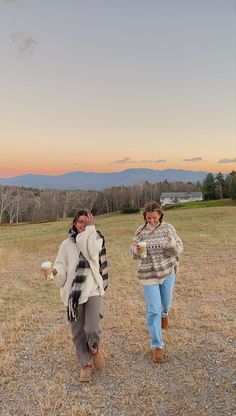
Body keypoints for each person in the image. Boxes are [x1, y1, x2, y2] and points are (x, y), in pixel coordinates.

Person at [51, 210, 108, 382]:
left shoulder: (96, 239)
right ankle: (85, 364)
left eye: (87, 222)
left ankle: (94, 348)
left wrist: (90, 230)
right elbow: (61, 264)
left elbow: (91, 252)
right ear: (74, 223)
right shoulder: (66, 244)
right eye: (80, 222)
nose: (83, 225)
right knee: (77, 332)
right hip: (74, 292)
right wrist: (55, 271)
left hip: (92, 289)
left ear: (92, 223)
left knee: (92, 328)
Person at [130, 202, 183, 363]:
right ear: (145, 217)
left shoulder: (168, 228)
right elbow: (131, 252)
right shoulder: (141, 231)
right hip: (148, 274)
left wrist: (172, 246)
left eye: (154, 217)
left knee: (165, 304)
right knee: (153, 309)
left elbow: (179, 248)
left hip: (167, 271)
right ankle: (157, 345)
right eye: (148, 218)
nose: (151, 220)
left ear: (160, 215)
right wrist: (136, 250)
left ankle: (164, 314)